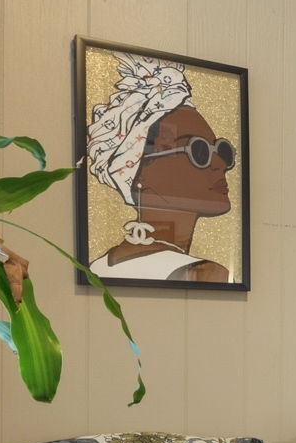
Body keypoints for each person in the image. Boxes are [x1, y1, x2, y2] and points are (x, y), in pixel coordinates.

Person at [84, 52, 236, 283]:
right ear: (139, 172)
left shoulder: (97, 268)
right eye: (199, 151)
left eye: (221, 150)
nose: (220, 164)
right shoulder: (204, 273)